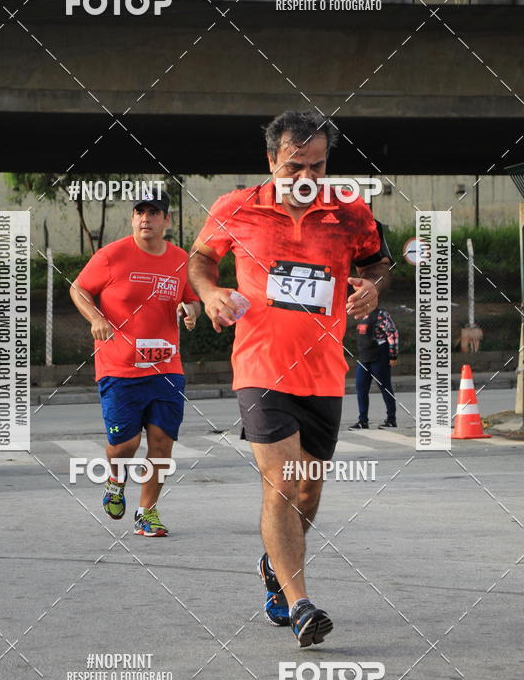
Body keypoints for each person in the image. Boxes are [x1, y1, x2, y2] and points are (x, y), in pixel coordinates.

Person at [189, 109, 391, 647]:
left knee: (308, 487)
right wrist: (209, 294)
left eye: (317, 168)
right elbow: (201, 259)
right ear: (271, 160)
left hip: (324, 374)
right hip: (260, 368)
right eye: (294, 167)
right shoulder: (237, 207)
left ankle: (275, 564)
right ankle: (300, 604)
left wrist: (371, 288)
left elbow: (376, 263)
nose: (305, 179)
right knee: (281, 482)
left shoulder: (350, 213)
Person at [70, 189, 200, 536]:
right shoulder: (112, 255)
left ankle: (147, 512)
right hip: (120, 367)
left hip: (166, 368)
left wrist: (190, 311)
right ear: (132, 218)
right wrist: (96, 317)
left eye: (154, 213)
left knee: (161, 443)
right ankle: (115, 478)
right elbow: (79, 289)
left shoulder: (179, 259)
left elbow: (191, 299)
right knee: (126, 445)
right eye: (140, 212)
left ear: (166, 220)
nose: (146, 218)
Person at [349, 307, 399, 430]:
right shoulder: (361, 315)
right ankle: (363, 421)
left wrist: (393, 355)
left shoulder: (381, 314)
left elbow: (392, 333)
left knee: (385, 387)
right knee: (361, 388)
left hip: (379, 355)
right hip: (364, 356)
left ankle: (391, 419)